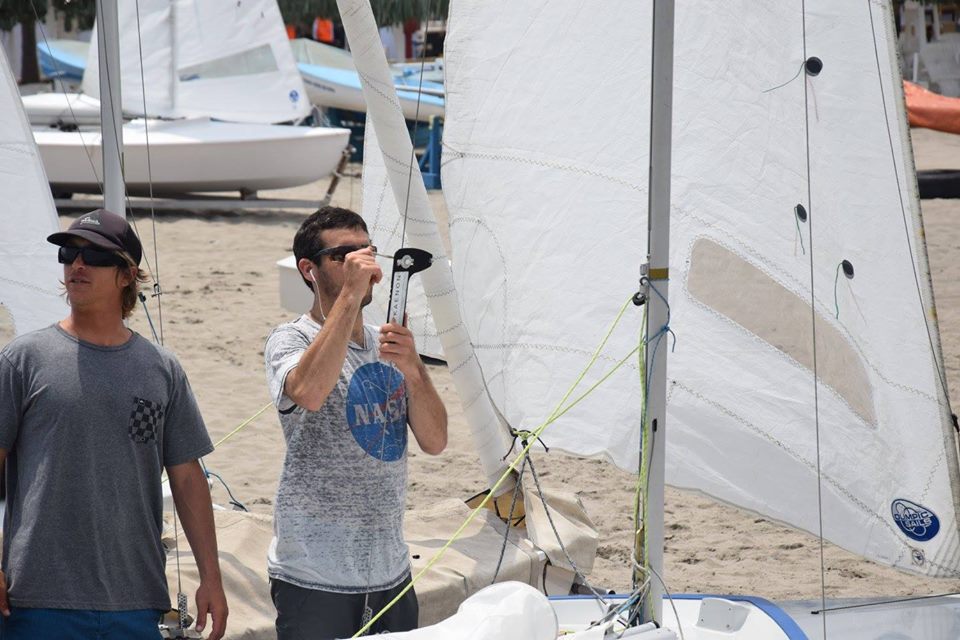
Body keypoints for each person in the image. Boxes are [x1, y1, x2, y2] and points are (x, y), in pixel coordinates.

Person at [0, 209, 228, 640]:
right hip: (37, 598)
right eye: (69, 254)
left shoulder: (162, 369)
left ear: (127, 275)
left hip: (137, 599)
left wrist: (211, 578)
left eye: (95, 256)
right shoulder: (23, 359)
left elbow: (187, 478)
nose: (77, 265)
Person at [264, 206, 448, 639]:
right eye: (344, 256)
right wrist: (349, 294)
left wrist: (414, 369)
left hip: (390, 571)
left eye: (367, 251)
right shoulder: (291, 338)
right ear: (308, 270)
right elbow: (309, 391)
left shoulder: (388, 343)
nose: (361, 263)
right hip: (313, 574)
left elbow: (436, 440)